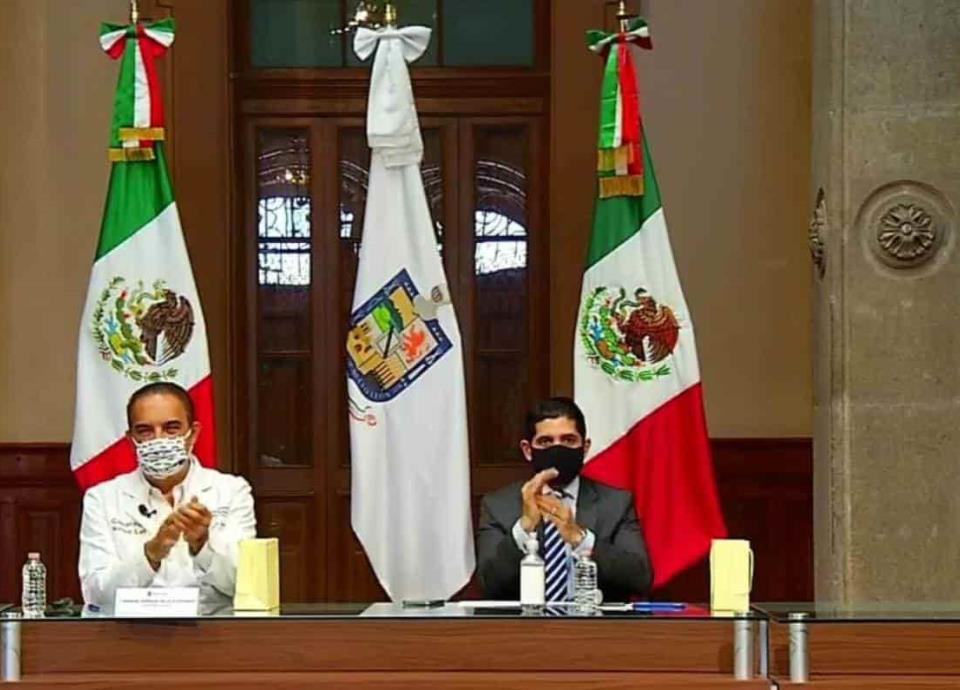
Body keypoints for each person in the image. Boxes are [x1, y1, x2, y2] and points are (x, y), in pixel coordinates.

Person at [78, 382, 256, 608]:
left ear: (193, 434)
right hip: (132, 627)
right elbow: (96, 595)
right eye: (145, 431)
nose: (158, 439)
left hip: (210, 624)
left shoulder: (231, 491)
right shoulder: (102, 499)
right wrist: (150, 555)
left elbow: (245, 585)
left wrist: (202, 544)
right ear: (131, 441)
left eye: (171, 428)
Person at [476, 397, 652, 602]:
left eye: (568, 440)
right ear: (528, 450)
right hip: (526, 621)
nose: (557, 450)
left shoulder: (616, 503)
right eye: (546, 442)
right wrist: (524, 528)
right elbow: (489, 583)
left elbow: (640, 579)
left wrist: (580, 538)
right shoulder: (497, 506)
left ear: (585, 447)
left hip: (592, 620)